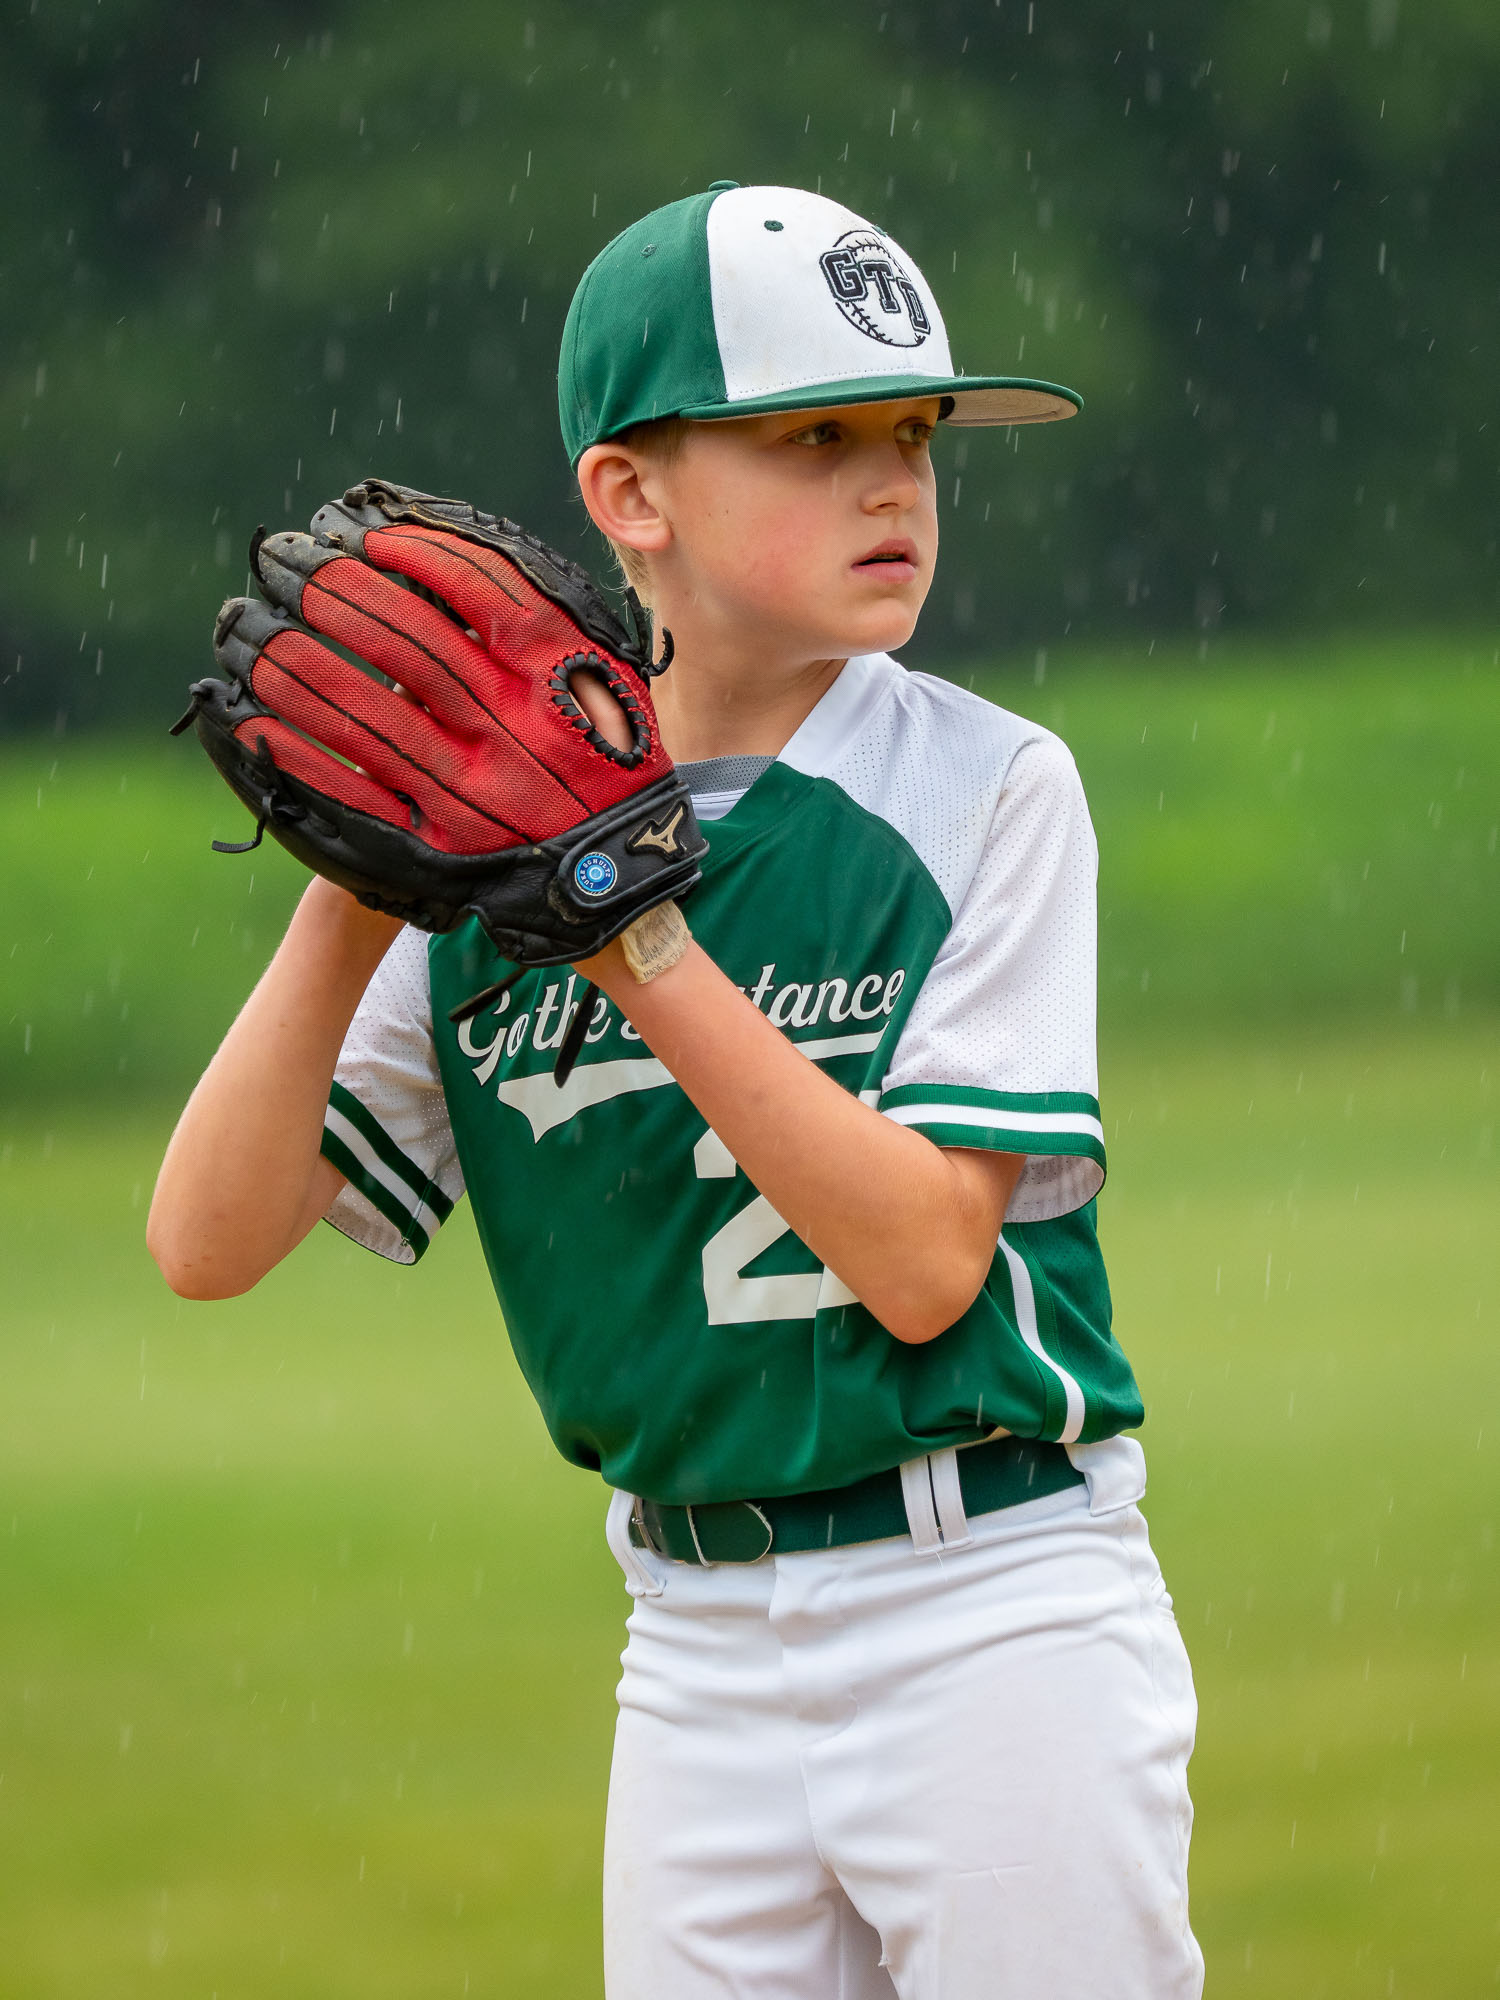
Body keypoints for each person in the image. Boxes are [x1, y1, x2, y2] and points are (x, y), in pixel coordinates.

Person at [149, 180, 1203, 1998]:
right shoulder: (483, 847)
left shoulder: (987, 788)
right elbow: (205, 1241)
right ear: (630, 495)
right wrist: (359, 876)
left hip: (991, 1608)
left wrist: (629, 931)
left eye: (913, 435)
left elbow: (924, 1265)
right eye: (815, 440)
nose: (894, 485)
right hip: (694, 1647)